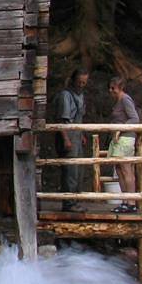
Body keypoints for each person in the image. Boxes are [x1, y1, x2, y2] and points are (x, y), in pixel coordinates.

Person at [53, 69, 89, 211]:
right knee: (70, 170)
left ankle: (75, 200)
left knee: (78, 169)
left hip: (77, 135)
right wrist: (66, 139)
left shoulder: (81, 96)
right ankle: (68, 203)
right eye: (79, 82)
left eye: (84, 83)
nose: (81, 85)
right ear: (74, 80)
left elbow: (79, 117)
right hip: (68, 135)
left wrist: (81, 135)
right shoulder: (65, 96)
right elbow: (61, 119)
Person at [107, 76, 140, 212]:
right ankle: (125, 201)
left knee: (127, 170)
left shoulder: (125, 99)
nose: (111, 90)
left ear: (120, 88)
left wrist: (121, 128)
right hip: (117, 140)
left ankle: (131, 202)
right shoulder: (118, 101)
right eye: (110, 88)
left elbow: (135, 118)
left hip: (126, 138)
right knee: (119, 170)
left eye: (113, 88)